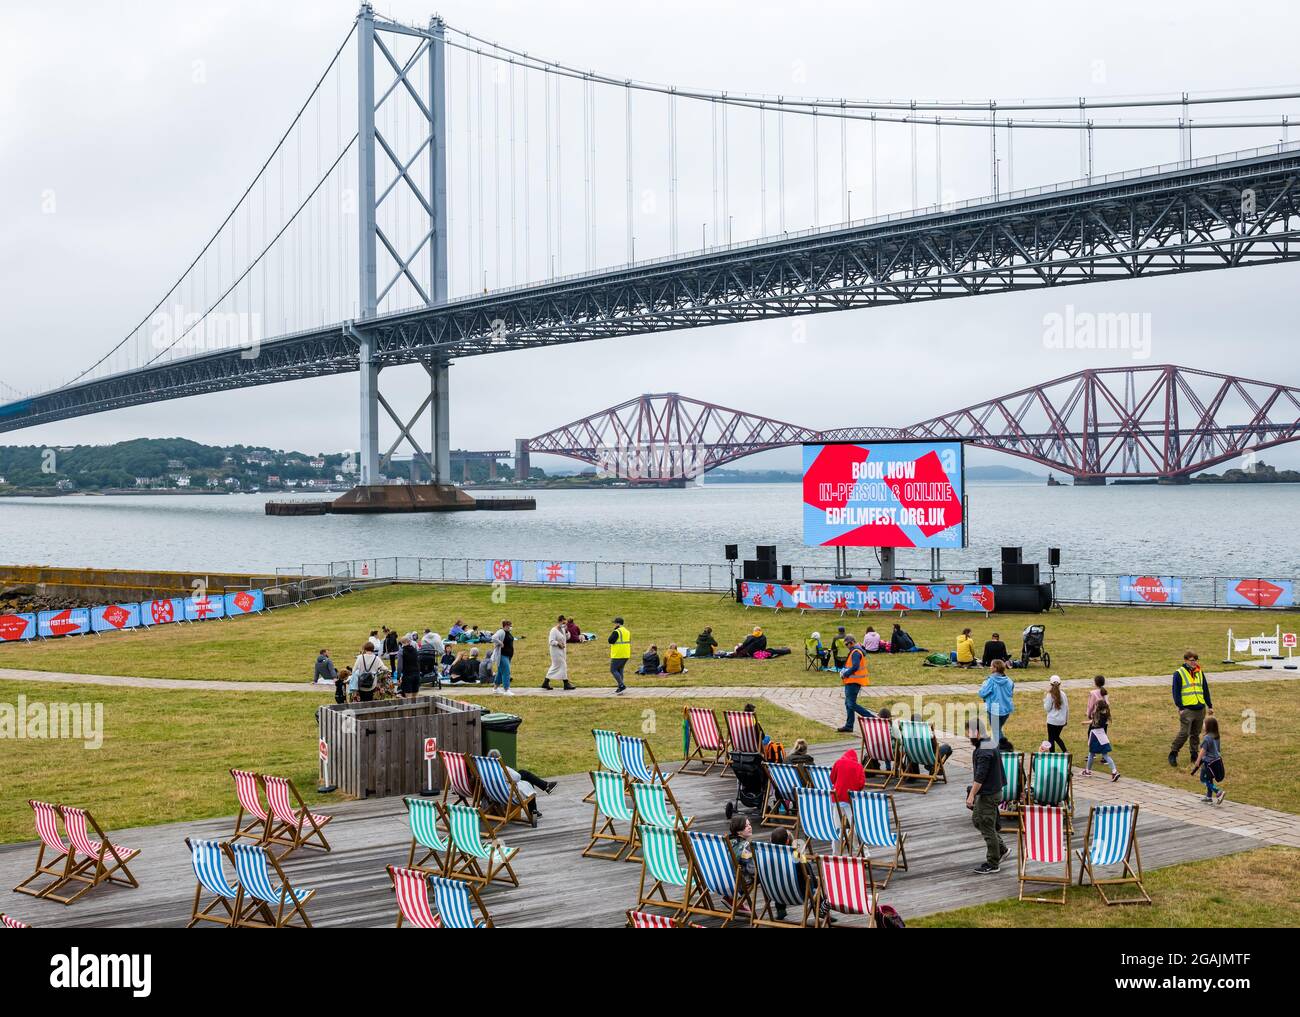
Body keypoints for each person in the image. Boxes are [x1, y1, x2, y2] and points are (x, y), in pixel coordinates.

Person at [966, 718, 1009, 874]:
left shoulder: (984, 750)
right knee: (978, 820)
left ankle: (993, 862)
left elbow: (980, 777)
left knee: (986, 826)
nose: (968, 735)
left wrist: (971, 796)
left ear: (977, 732)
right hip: (991, 791)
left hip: (989, 794)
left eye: (969, 732)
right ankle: (1002, 849)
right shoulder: (988, 743)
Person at [1169, 650, 1213, 768]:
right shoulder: (1179, 673)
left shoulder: (1199, 672)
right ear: (1186, 660)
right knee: (1184, 733)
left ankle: (1194, 755)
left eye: (1196, 660)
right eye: (1192, 660)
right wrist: (1180, 707)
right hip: (1187, 709)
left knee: (1195, 734)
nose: (1194, 662)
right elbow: (1176, 691)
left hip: (1200, 708)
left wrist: (1209, 705)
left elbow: (1205, 689)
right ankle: (1173, 752)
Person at [485, 748, 556, 820]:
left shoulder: (485, 771)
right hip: (510, 797)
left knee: (526, 777)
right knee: (525, 776)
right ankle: (545, 788)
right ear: (500, 758)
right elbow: (517, 777)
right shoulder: (503, 769)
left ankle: (545, 787)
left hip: (495, 795)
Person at [835, 636, 874, 733]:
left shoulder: (856, 652)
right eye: (845, 645)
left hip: (853, 682)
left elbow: (855, 667)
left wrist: (846, 673)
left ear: (852, 642)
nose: (847, 646)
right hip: (851, 681)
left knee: (851, 704)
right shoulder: (855, 651)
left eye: (847, 644)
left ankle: (873, 719)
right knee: (848, 704)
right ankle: (849, 726)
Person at [1082, 685, 1120, 780]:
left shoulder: (1096, 714)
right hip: (1103, 735)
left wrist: (1085, 722)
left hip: (1095, 735)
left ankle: (1087, 771)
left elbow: (1093, 722)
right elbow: (1095, 721)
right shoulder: (1105, 715)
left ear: (1098, 707)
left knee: (1091, 754)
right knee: (1105, 755)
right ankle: (1114, 771)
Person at [979, 659, 1015, 748]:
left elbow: (982, 693)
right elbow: (1010, 693)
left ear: (995, 668)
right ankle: (1001, 747)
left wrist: (984, 685)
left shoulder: (991, 680)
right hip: (1006, 710)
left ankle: (1004, 749)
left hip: (994, 710)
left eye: (991, 666)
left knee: (996, 731)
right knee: (997, 730)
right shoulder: (1009, 681)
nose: (990, 667)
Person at [1190, 716, 1225, 804]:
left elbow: (1202, 751)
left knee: (1203, 778)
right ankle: (1209, 797)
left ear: (1208, 726)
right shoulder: (1216, 736)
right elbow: (1218, 749)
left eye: (1204, 724)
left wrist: (1197, 761)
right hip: (1216, 760)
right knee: (1209, 779)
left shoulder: (1207, 738)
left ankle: (1218, 792)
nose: (1203, 725)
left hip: (1208, 762)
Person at [727, 816, 756, 907]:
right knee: (760, 876)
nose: (749, 827)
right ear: (738, 831)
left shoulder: (727, 842)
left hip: (724, 879)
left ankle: (731, 898)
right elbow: (752, 870)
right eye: (745, 826)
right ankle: (737, 900)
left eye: (749, 825)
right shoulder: (745, 846)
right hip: (738, 883)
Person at [829, 747, 865, 820]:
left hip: (837, 796)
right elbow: (861, 784)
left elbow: (831, 779)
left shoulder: (838, 762)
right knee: (852, 819)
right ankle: (854, 830)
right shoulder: (859, 767)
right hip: (850, 797)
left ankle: (838, 830)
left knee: (837, 820)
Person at [543, 614, 575, 690]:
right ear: (559, 622)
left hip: (562, 651)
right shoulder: (553, 630)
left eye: (565, 623)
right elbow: (551, 641)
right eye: (563, 623)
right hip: (555, 651)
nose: (564, 625)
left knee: (555, 666)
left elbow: (568, 638)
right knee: (563, 665)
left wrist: (567, 631)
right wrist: (558, 644)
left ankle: (545, 682)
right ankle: (566, 683)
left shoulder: (563, 629)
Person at [1043, 675, 1068, 752]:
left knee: (1051, 738)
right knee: (1056, 737)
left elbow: (1047, 708)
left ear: (1050, 684)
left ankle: (1052, 755)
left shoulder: (1049, 695)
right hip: (1061, 721)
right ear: (1060, 684)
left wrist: (1044, 701)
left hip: (1052, 721)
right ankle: (1065, 751)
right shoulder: (1063, 695)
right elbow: (1067, 708)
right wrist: (1066, 719)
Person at [491, 620, 515, 695]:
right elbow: (494, 638)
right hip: (502, 656)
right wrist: (500, 643)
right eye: (509, 625)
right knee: (506, 672)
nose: (510, 627)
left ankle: (495, 689)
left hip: (508, 656)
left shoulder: (508, 632)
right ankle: (506, 689)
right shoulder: (501, 631)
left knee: (500, 673)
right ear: (505, 626)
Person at [609, 616, 631, 694]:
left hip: (618, 654)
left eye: (614, 623)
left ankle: (621, 685)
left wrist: (614, 631)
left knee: (613, 670)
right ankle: (620, 686)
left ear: (618, 624)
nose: (614, 625)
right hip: (626, 653)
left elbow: (610, 640)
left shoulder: (617, 631)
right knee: (620, 670)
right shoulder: (627, 631)